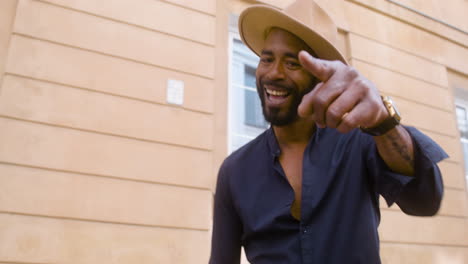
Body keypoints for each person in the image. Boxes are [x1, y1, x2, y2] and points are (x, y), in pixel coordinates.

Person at [209, 0, 447, 263]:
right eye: (267, 59)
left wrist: (382, 120)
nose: (273, 73)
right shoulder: (235, 170)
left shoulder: (362, 139)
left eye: (292, 63)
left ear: (322, 77)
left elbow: (425, 201)